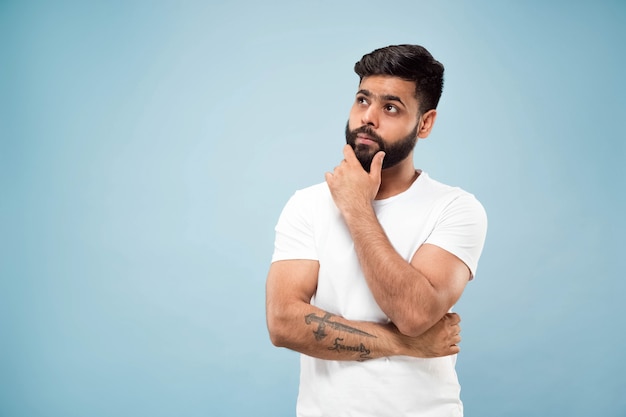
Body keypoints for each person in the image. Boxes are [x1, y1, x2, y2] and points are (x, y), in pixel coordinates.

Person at [265, 44, 488, 417]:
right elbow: (283, 323)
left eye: (390, 107)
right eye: (362, 100)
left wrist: (356, 208)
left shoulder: (455, 208)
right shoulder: (307, 204)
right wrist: (408, 345)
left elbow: (414, 314)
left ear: (425, 123)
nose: (368, 117)